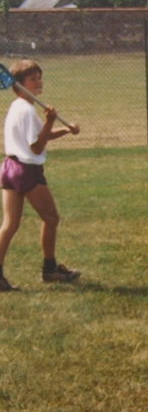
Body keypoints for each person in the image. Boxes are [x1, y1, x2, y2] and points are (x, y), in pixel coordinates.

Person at [0, 60, 81, 291]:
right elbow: (36, 147)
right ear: (19, 84)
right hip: (27, 171)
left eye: (39, 77)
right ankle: (50, 269)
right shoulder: (26, 110)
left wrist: (65, 129)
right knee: (51, 218)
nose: (39, 82)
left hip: (10, 166)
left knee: (9, 224)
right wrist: (50, 120)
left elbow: (40, 136)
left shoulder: (19, 106)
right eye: (33, 79)